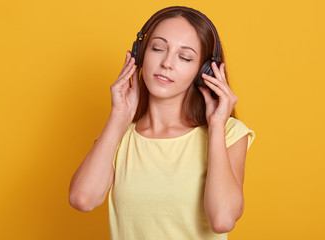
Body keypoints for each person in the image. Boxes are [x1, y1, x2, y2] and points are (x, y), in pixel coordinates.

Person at [69, 6, 255, 240]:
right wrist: (118, 115)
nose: (167, 62)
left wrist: (217, 126)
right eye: (157, 48)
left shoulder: (228, 133)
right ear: (140, 55)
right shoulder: (119, 137)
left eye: (185, 57)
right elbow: (82, 199)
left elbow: (223, 219)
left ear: (204, 71)